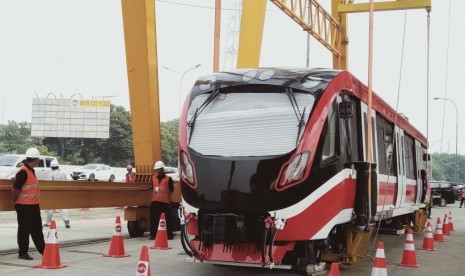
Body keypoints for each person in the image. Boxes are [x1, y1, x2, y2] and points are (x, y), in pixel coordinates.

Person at [10, 147, 45, 260]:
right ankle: (23, 253)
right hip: (24, 206)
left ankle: (44, 251)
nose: (38, 162)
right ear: (34, 160)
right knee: (24, 230)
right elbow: (15, 189)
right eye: (38, 160)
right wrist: (14, 201)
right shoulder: (23, 172)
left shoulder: (31, 171)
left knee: (37, 229)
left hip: (33, 205)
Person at [148, 161, 174, 240]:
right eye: (156, 169)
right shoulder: (153, 178)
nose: (157, 171)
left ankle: (169, 235)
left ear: (162, 169)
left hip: (165, 202)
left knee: (168, 219)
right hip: (155, 201)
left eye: (159, 169)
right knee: (154, 219)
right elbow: (153, 187)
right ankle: (153, 235)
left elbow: (171, 189)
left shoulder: (168, 179)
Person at [44, 160, 70, 228]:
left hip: (53, 194)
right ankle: (66, 221)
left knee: (50, 208)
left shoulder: (51, 174)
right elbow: (66, 183)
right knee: (63, 208)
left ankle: (48, 223)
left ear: (51, 167)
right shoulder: (63, 174)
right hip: (62, 193)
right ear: (58, 166)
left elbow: (48, 185)